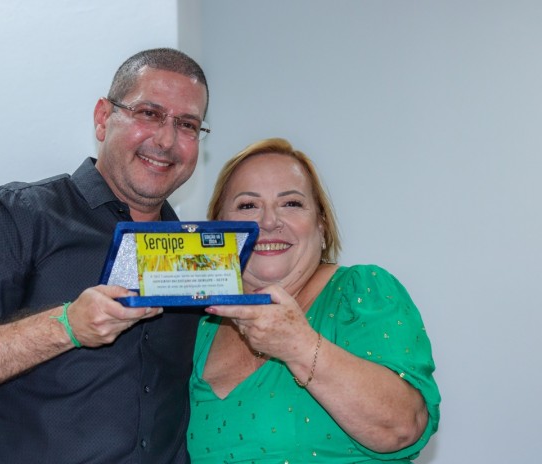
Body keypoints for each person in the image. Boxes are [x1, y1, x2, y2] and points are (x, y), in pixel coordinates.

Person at [0, 48, 210, 464]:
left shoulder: (200, 256)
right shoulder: (19, 215)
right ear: (103, 118)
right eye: (149, 113)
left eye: (187, 124)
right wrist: (67, 326)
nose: (166, 140)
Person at [187, 138, 440, 463]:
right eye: (248, 205)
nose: (268, 222)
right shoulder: (200, 327)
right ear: (217, 229)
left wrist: (299, 345)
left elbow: (404, 427)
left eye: (291, 203)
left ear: (321, 224)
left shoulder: (360, 293)